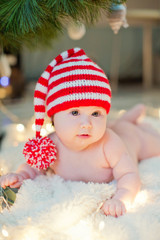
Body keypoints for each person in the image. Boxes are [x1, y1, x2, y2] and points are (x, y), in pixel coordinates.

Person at [0, 48, 160, 217]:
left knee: (150, 142)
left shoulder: (110, 144)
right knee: (119, 124)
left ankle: (135, 123)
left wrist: (121, 199)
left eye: (96, 113)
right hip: (118, 129)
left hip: (131, 138)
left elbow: (129, 174)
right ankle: (128, 118)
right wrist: (20, 176)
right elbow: (32, 168)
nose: (87, 124)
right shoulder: (49, 145)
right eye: (75, 112)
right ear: (53, 117)